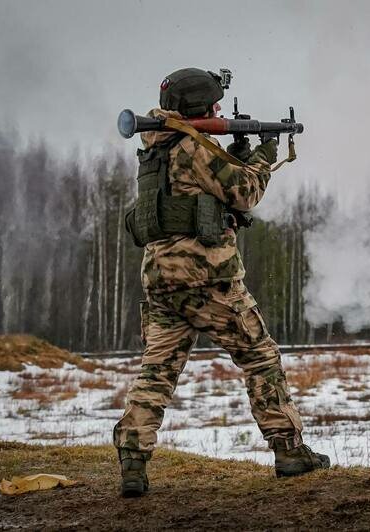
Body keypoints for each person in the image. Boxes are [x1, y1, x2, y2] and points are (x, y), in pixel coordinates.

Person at [113, 67, 329, 497]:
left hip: (161, 281)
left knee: (157, 373)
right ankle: (288, 451)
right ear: (198, 108)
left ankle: (133, 464)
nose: (216, 111)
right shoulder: (193, 149)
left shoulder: (155, 149)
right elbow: (245, 192)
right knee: (260, 358)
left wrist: (238, 152)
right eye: (211, 106)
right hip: (209, 280)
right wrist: (265, 156)